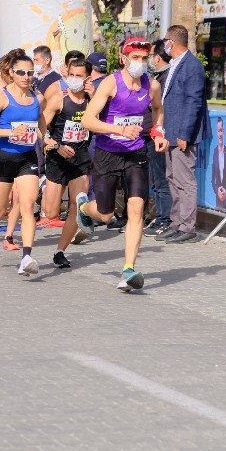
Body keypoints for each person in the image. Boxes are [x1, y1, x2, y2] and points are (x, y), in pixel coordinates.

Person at [75, 38, 168, 292]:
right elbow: (87, 120)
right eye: (135, 58)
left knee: (136, 208)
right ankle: (84, 208)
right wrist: (119, 129)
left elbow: (158, 110)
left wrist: (158, 132)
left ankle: (128, 269)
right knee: (105, 215)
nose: (140, 63)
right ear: (123, 58)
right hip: (107, 154)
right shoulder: (110, 83)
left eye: (144, 58)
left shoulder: (153, 85)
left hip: (136, 153)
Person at [0, 54, 45, 277]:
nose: (26, 77)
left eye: (30, 73)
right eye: (21, 73)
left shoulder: (38, 97)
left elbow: (40, 123)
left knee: (27, 205)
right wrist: (9, 132)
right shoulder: (2, 98)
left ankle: (26, 257)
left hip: (27, 158)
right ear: (12, 74)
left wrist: (47, 139)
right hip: (4, 158)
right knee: (0, 210)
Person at [40, 58, 93, 269]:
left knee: (76, 204)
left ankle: (60, 251)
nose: (75, 79)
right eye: (72, 75)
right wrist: (55, 145)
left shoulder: (92, 100)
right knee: (51, 212)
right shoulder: (58, 100)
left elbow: (105, 117)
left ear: (87, 78)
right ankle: (44, 187)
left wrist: (95, 94)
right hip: (57, 156)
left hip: (80, 157)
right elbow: (40, 127)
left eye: (80, 76)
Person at [159, 24, 209, 244]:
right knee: (173, 178)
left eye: (165, 41)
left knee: (185, 180)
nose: (164, 46)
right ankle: (177, 223)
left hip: (182, 134)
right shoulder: (174, 65)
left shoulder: (192, 66)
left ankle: (187, 227)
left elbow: (193, 102)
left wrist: (184, 134)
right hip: (170, 131)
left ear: (172, 41)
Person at [144, 40, 174, 237]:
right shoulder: (158, 77)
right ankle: (160, 217)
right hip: (150, 135)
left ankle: (165, 219)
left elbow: (160, 109)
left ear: (157, 57)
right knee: (155, 180)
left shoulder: (164, 79)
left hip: (158, 135)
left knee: (161, 180)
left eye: (148, 55)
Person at [211, 117, 226, 213]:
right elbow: (212, 179)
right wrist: (217, 190)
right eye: (217, 131)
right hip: (217, 199)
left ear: (223, 132)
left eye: (221, 131)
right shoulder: (214, 152)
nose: (219, 134)